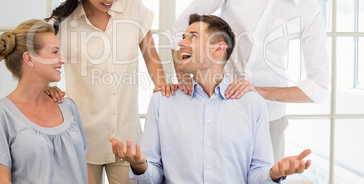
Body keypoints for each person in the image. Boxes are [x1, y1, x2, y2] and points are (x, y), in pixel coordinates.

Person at [169, 0, 329, 162]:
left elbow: (317, 87)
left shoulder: (310, 9)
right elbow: (181, 26)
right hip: (214, 108)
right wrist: (183, 75)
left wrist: (258, 91)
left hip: (268, 119)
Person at [110, 14, 312, 184]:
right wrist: (139, 166)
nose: (181, 43)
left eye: (193, 37)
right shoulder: (163, 100)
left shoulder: (251, 103)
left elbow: (258, 174)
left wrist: (274, 174)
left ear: (218, 49)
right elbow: (151, 175)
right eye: (183, 37)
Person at [45, 0, 176, 184]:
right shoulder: (63, 22)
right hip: (84, 137)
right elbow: (42, 62)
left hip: (126, 136)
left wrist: (161, 86)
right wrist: (46, 87)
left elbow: (150, 54)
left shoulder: (133, 6)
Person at [0, 19, 94, 184]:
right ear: (29, 59)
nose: (62, 60)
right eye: (54, 52)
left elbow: (85, 172)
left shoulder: (68, 106)